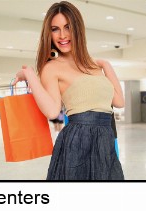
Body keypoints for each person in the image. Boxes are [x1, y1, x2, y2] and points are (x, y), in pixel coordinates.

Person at [12, 1, 124, 180]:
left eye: (68, 27)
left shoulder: (97, 65)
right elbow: (52, 110)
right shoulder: (52, 67)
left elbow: (119, 101)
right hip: (77, 143)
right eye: (55, 29)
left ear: (78, 28)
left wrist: (106, 65)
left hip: (105, 141)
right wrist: (30, 75)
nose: (62, 35)